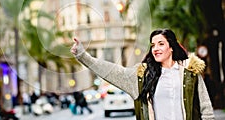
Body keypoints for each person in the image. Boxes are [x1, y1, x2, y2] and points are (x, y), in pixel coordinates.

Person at [70, 28, 214, 120]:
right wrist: (84, 56)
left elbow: (206, 110)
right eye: (153, 45)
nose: (155, 48)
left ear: (171, 47)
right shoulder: (142, 76)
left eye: (161, 44)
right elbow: (112, 71)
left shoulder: (190, 73)